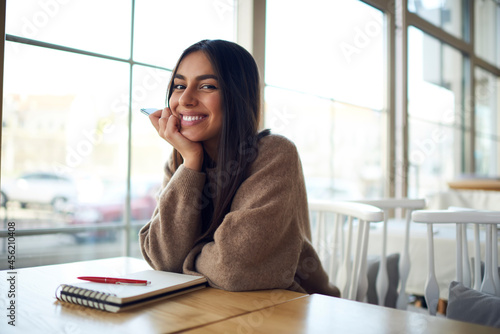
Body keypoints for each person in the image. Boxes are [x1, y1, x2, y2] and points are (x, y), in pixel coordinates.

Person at [139, 39, 340, 297]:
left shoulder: (273, 154)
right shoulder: (182, 160)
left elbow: (234, 269)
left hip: (292, 306)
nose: (185, 99)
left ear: (237, 95)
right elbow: (162, 259)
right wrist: (190, 162)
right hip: (213, 304)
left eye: (207, 86)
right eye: (179, 86)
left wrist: (184, 262)